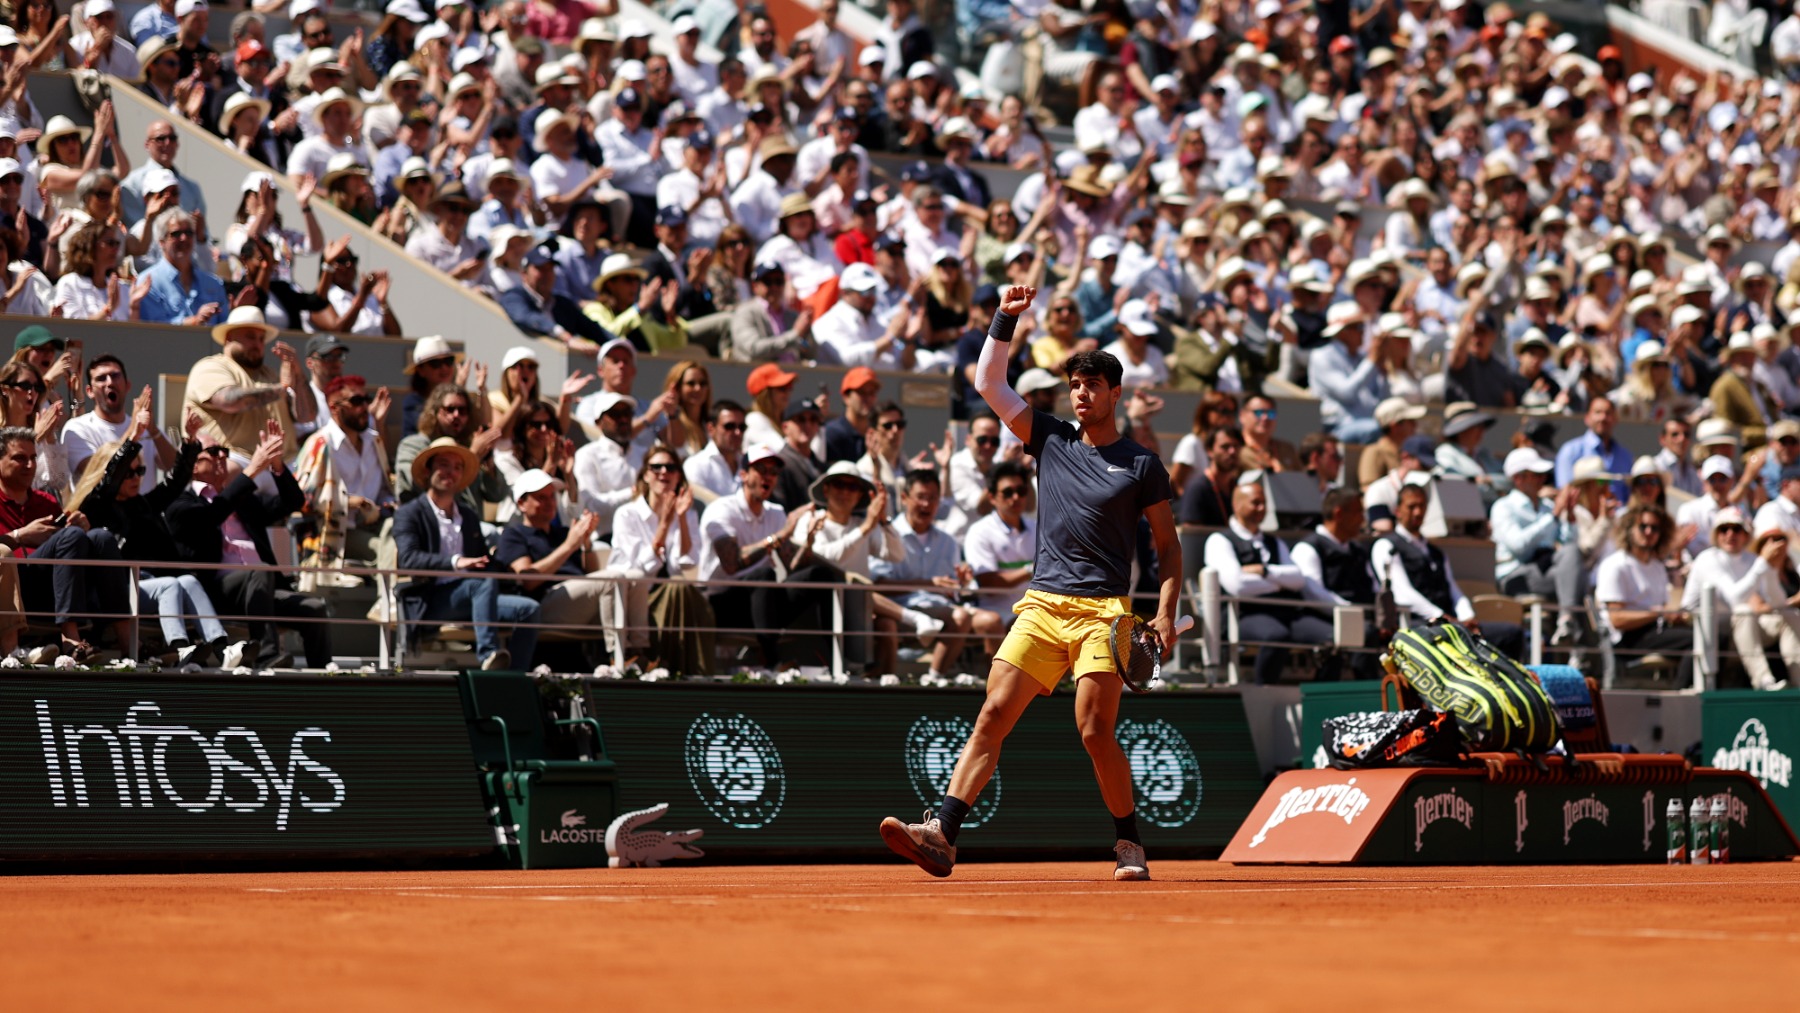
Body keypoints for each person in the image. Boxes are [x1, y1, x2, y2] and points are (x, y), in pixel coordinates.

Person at [880, 285, 1180, 884]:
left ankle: (1128, 842)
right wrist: (1004, 317)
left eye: (1092, 385)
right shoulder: (1050, 437)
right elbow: (990, 383)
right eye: (1075, 384)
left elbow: (1169, 547)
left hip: (1104, 612)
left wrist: (1167, 614)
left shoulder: (1142, 464)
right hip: (1042, 605)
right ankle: (941, 834)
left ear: (1115, 394)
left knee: (1094, 730)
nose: (1081, 392)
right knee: (993, 713)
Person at [73, 403, 240, 666]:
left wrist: (189, 442)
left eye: (140, 470)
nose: (136, 477)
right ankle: (180, 648)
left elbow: (174, 482)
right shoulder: (98, 505)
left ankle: (222, 648)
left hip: (146, 585)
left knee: (188, 580)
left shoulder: (142, 504)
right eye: (128, 472)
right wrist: (135, 436)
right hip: (115, 588)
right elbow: (110, 480)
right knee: (171, 583)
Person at [167, 420, 333, 668]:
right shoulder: (180, 503)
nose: (222, 456)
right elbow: (212, 516)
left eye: (224, 450)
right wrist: (252, 470)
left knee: (314, 608)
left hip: (262, 591)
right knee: (260, 571)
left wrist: (277, 467)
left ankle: (322, 680)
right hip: (216, 593)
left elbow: (293, 502)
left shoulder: (243, 501)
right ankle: (267, 656)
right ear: (192, 463)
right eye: (213, 451)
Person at [395, 437, 541, 671]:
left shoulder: (468, 515)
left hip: (471, 596)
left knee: (528, 608)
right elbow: (408, 560)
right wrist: (456, 562)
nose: (450, 472)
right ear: (429, 469)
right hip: (429, 600)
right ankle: (488, 655)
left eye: (457, 467)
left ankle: (514, 677)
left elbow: (481, 563)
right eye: (443, 464)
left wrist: (497, 560)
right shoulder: (409, 513)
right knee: (481, 584)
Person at [696, 444, 839, 669]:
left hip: (764, 601)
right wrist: (781, 535)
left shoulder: (775, 512)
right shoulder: (721, 509)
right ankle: (772, 662)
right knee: (764, 574)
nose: (769, 477)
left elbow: (792, 567)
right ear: (743, 475)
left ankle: (835, 661)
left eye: (774, 472)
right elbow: (732, 564)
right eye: (762, 470)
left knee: (819, 575)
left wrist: (808, 541)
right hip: (721, 605)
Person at [0, 425, 131, 663]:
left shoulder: (47, 501)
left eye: (32, 458)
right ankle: (70, 638)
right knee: (70, 536)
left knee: (99, 537)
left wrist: (82, 526)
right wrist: (20, 535)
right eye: (19, 458)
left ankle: (129, 641)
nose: (30, 465)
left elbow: (69, 544)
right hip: (14, 590)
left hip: (57, 587)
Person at [1206, 475, 1340, 683]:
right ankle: (1264, 689)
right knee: (1276, 636)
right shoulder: (1219, 540)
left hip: (1285, 613)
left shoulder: (1274, 541)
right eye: (1255, 503)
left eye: (1264, 503)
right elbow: (1238, 585)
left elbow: (1298, 579)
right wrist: (1280, 582)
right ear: (1237, 504)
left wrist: (1265, 572)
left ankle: (1320, 692)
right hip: (1243, 615)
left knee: (1336, 637)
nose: (1262, 509)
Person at [1374, 483, 1526, 660]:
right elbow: (1402, 593)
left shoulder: (1436, 552)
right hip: (1418, 623)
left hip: (1451, 623)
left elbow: (1453, 588)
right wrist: (1439, 616)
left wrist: (1467, 616)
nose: (1417, 512)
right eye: (1411, 506)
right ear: (1397, 510)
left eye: (1422, 506)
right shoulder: (1387, 545)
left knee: (1510, 634)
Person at [492, 469, 623, 664]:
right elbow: (528, 580)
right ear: (521, 503)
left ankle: (637, 650)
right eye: (541, 498)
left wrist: (585, 544)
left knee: (631, 577)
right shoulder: (513, 535)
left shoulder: (562, 532)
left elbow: (591, 574)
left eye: (551, 497)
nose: (549, 503)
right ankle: (618, 657)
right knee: (614, 578)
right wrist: (569, 546)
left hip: (576, 600)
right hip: (544, 605)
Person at [607, 447, 715, 673]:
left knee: (681, 590)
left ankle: (682, 671)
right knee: (678, 589)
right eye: (656, 467)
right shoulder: (627, 514)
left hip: (674, 596)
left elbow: (686, 564)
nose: (664, 472)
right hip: (638, 599)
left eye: (671, 467)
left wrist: (682, 518)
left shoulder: (688, 514)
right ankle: (678, 667)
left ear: (678, 476)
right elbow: (640, 570)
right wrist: (664, 524)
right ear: (645, 475)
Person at [185, 305, 315, 471]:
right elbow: (230, 401)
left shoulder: (270, 375)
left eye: (261, 339)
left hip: (285, 463)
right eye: (250, 337)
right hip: (236, 460)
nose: (258, 344)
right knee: (230, 470)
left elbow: (308, 416)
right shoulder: (211, 366)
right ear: (228, 337)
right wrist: (282, 388)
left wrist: (299, 375)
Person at [293, 375, 394, 576]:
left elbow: (384, 490)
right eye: (356, 401)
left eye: (366, 399)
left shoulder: (375, 442)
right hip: (336, 532)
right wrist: (348, 502)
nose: (365, 406)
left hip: (376, 524)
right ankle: (389, 606)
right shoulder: (320, 444)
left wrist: (388, 504)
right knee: (389, 548)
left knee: (405, 536)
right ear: (334, 408)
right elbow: (301, 500)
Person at [1683, 510, 1792, 691]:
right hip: (1706, 631)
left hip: (1741, 630)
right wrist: (1763, 563)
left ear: (1746, 534)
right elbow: (1735, 599)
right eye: (1724, 529)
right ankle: (1763, 681)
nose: (1730, 534)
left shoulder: (1753, 560)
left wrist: (1772, 568)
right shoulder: (1707, 559)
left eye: (1736, 529)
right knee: (1744, 611)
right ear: (1716, 535)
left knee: (1790, 615)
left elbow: (1778, 602)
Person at [1490, 447, 1587, 645]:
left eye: (1543, 475)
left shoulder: (1548, 507)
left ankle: (1567, 623)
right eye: (1536, 475)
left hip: (1545, 571)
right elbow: (1519, 546)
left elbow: (1569, 547)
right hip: (1516, 575)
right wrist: (1552, 517)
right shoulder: (1503, 507)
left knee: (1576, 566)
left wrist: (1569, 518)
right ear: (1518, 478)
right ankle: (1572, 634)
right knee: (1580, 581)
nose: (1542, 479)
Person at [1595, 502, 1691, 686]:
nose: (1648, 532)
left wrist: (1672, 616)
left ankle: (1683, 692)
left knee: (1708, 638)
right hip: (1628, 640)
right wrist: (1656, 613)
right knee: (1695, 642)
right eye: (1643, 526)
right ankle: (1681, 696)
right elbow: (1617, 620)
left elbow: (1661, 611)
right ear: (1629, 528)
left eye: (1654, 528)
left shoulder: (1657, 567)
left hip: (1656, 631)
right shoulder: (1615, 565)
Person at [61, 355, 176, 480]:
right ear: (90, 391)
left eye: (115, 376)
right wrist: (133, 432)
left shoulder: (145, 427)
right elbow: (97, 474)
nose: (110, 382)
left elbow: (173, 467)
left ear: (127, 385)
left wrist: (154, 431)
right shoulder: (78, 428)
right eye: (101, 378)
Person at [1178, 426, 1243, 527]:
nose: (1232, 451)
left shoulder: (1239, 488)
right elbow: (1190, 534)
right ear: (1209, 451)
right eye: (1225, 447)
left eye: (1236, 446)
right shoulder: (1198, 488)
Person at [685, 400, 748, 505]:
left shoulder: (749, 464)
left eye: (742, 427)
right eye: (729, 426)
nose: (737, 433)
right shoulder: (695, 465)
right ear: (711, 428)